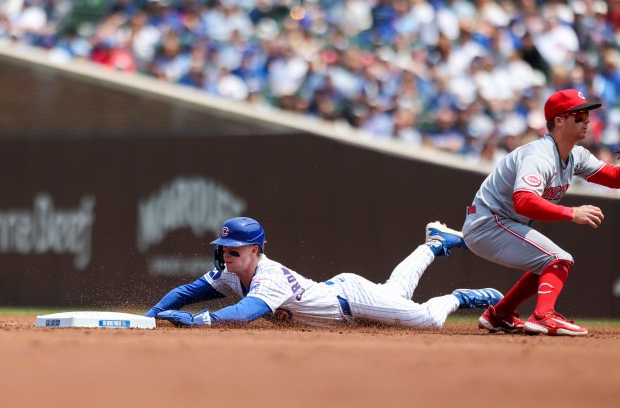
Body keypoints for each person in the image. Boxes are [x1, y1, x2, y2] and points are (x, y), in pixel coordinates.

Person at [145, 217, 503, 329]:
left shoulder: (267, 276)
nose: (226, 253)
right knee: (396, 291)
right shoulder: (228, 272)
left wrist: (201, 321)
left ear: (255, 250)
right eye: (223, 247)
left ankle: (458, 297)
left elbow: (245, 313)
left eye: (234, 248)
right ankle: (435, 243)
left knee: (427, 321)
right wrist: (151, 316)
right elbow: (185, 293)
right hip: (340, 296)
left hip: (350, 300)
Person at [463, 89, 620, 336]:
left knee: (548, 263)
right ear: (559, 120)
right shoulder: (539, 155)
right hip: (488, 222)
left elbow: (613, 177)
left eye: (587, 114)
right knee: (559, 259)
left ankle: (499, 314)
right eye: (579, 114)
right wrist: (571, 213)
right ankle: (543, 316)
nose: (587, 120)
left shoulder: (575, 154)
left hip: (501, 221)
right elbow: (523, 201)